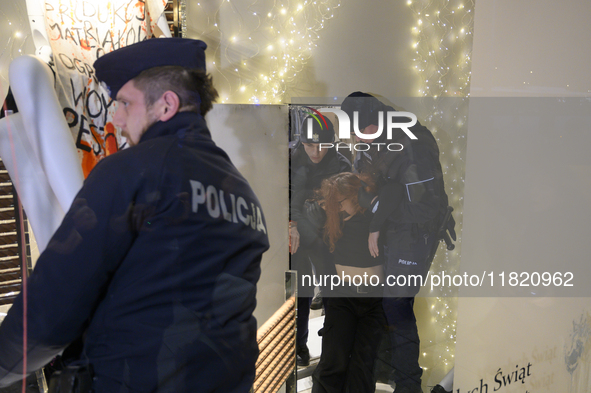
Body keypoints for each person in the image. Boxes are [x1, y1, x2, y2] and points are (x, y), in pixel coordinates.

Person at [0, 38, 269, 392]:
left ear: (167, 104)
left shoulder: (132, 172)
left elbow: (56, 298)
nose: (118, 118)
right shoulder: (240, 189)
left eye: (125, 103)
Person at [340, 92, 455, 393]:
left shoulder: (411, 141)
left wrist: (378, 207)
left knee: (396, 304)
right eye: (352, 133)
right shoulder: (372, 138)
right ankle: (384, 373)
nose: (357, 139)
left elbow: (425, 207)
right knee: (379, 303)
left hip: (415, 234)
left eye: (359, 132)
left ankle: (408, 386)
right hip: (390, 232)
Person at [311, 172, 386, 393]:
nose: (335, 207)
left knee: (363, 366)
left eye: (339, 201)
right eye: (331, 203)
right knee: (333, 360)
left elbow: (395, 193)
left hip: (374, 299)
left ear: (356, 195)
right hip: (342, 296)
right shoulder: (332, 221)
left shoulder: (375, 219)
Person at [290, 115, 351, 366]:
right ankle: (298, 345)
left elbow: (351, 204)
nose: (317, 151)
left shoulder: (341, 162)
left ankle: (333, 348)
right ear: (301, 142)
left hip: (328, 236)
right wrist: (292, 223)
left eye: (323, 145)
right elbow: (282, 196)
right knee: (299, 293)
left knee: (331, 292)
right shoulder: (291, 160)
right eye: (310, 145)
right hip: (297, 236)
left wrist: (328, 212)